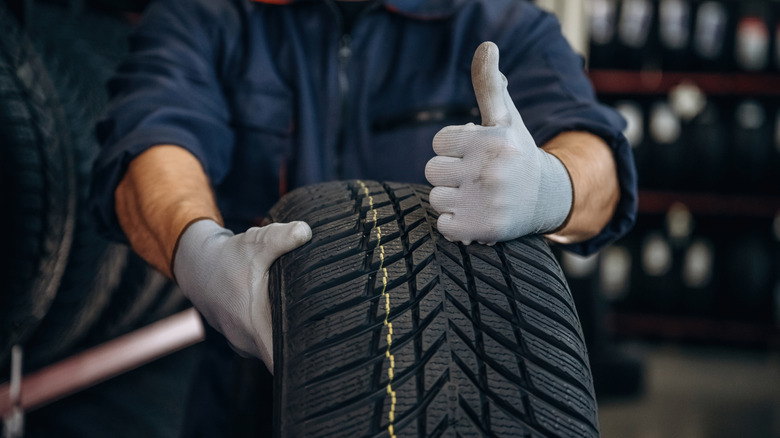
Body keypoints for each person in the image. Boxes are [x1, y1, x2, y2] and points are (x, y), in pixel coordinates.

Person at [89, 0, 637, 435]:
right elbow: (152, 136)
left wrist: (549, 185)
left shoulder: (500, 21)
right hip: (251, 388)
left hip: (466, 399)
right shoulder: (211, 14)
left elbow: (601, 161)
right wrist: (197, 249)